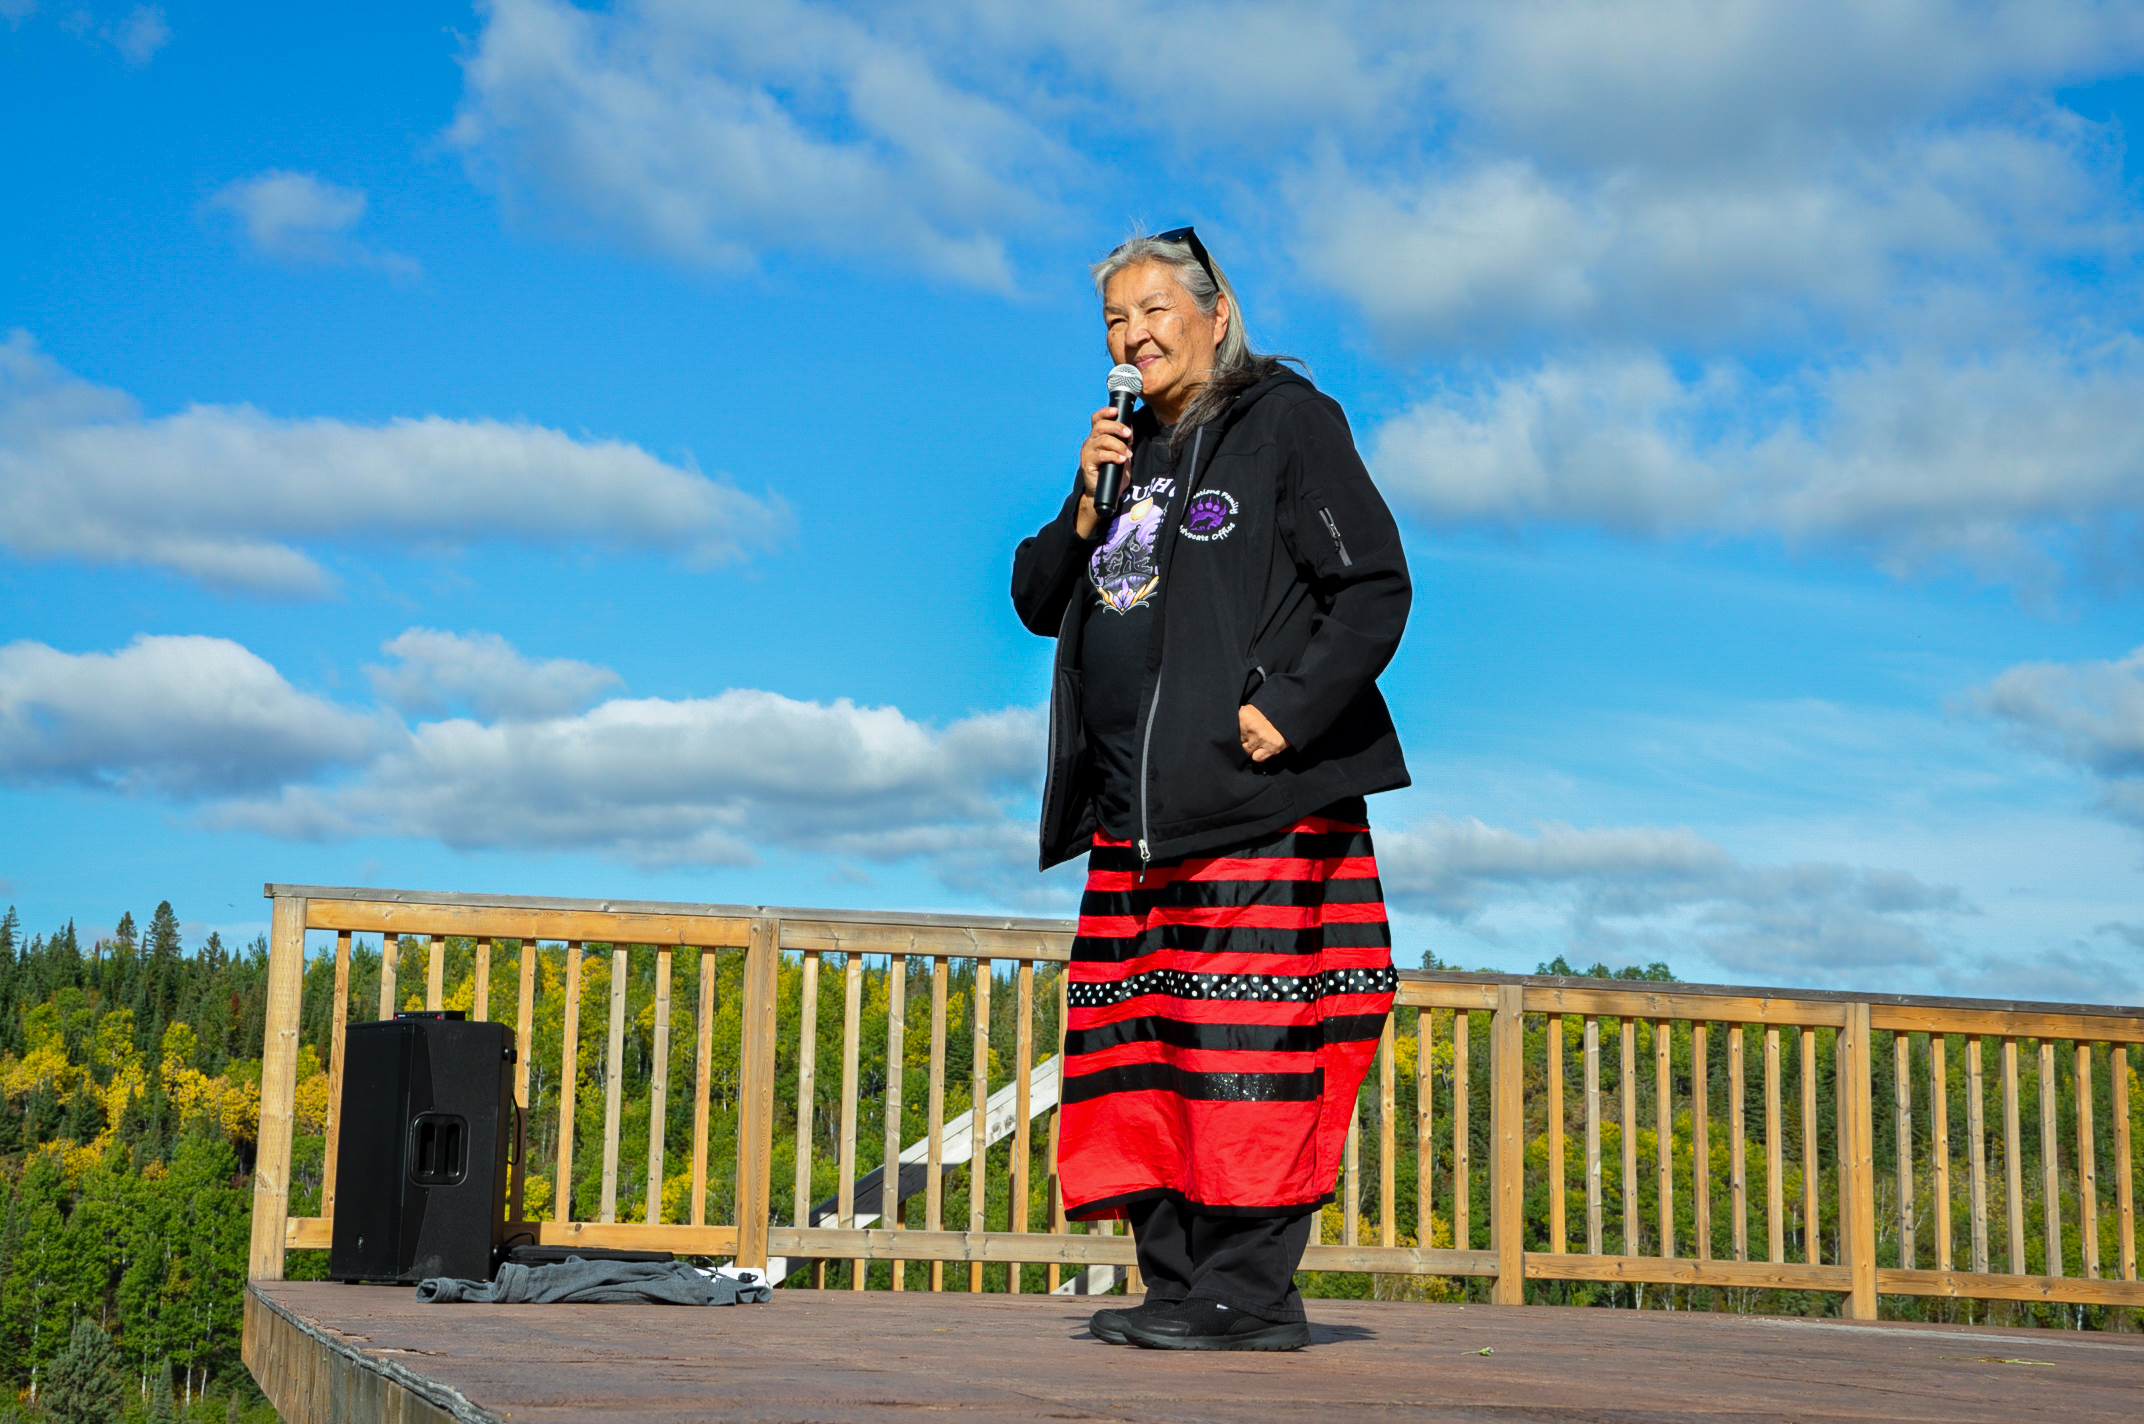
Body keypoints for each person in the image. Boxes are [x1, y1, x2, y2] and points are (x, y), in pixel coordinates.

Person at [1010, 228, 1411, 1351]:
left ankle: (1249, 1294)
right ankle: (1179, 1283)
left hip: (1253, 803)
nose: (1133, 336)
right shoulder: (1122, 453)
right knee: (1142, 1056)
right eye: (1114, 320)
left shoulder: (1286, 422)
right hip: (1131, 818)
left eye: (1154, 311)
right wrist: (1084, 500)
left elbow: (1373, 585)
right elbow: (1036, 598)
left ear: (1215, 312)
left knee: (1245, 1055)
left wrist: (1287, 710)